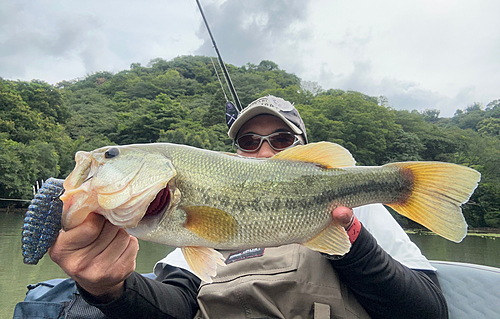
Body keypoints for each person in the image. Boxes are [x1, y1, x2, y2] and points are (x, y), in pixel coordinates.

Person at [44, 95, 447, 319]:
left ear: (309, 149)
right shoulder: (180, 220)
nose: (265, 150)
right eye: (249, 142)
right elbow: (178, 307)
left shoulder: (361, 205)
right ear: (233, 154)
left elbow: (428, 312)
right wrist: (110, 288)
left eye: (283, 139)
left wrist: (351, 238)